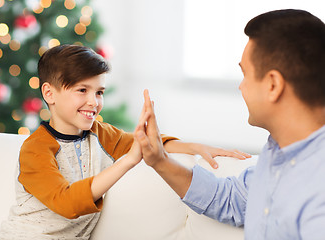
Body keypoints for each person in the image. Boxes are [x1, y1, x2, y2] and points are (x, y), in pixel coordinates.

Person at [0, 44, 249, 239]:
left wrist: (194, 147)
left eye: (99, 92)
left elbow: (144, 141)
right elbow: (67, 202)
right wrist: (129, 161)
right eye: (82, 91)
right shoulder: (35, 149)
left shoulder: (99, 134)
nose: (94, 102)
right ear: (49, 93)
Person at [135, 9, 325, 239]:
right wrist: (159, 160)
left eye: (245, 74)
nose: (241, 86)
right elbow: (232, 200)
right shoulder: (277, 152)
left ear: (273, 85)